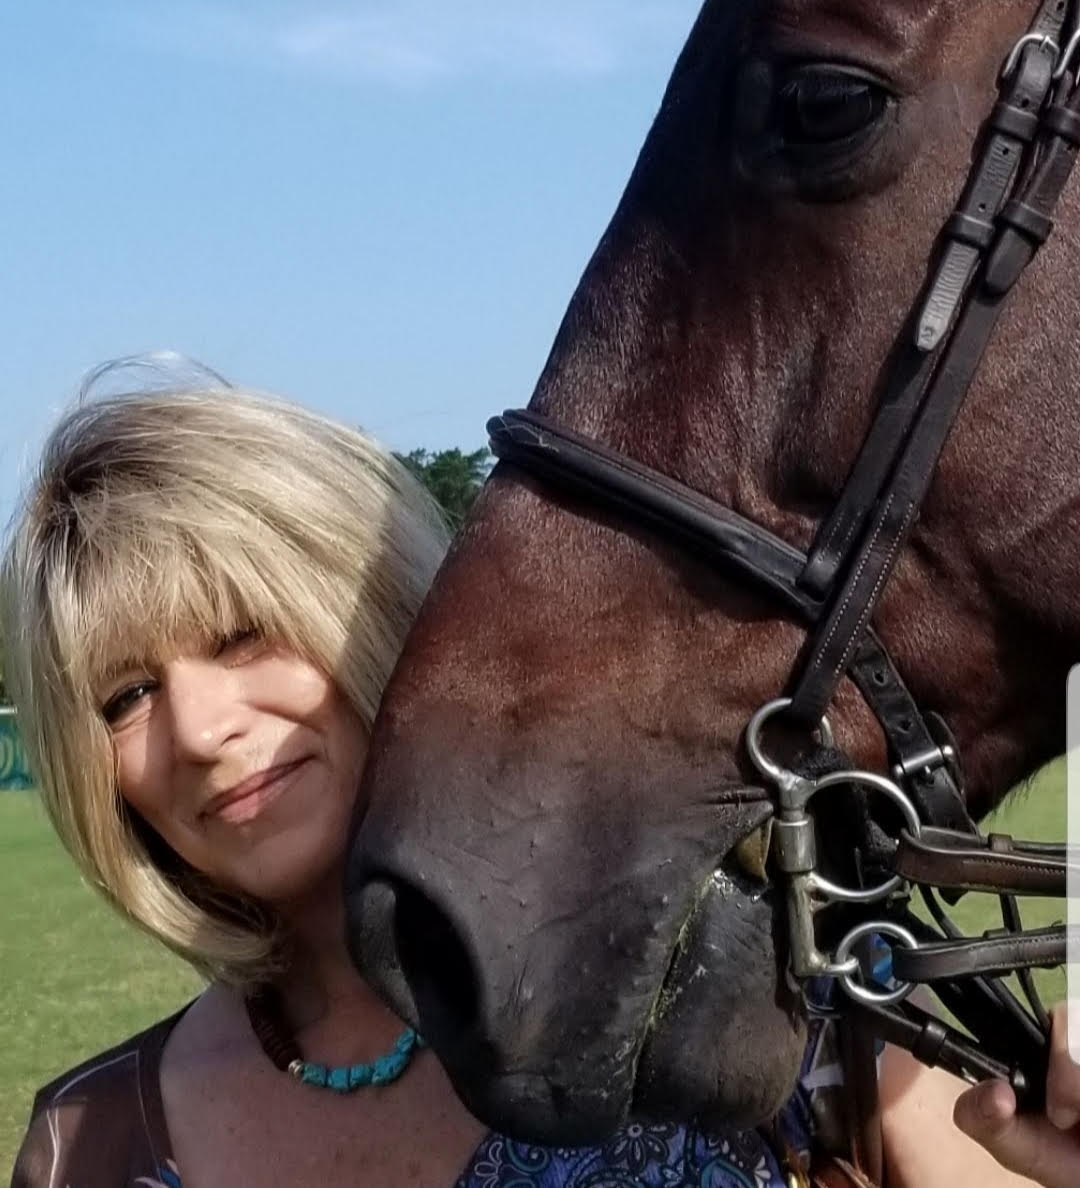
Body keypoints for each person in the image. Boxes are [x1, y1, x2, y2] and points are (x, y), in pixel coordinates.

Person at [3, 361, 1072, 1188]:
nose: (198, 730)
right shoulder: (89, 1144)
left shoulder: (758, 995)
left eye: (242, 634)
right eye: (125, 696)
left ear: (385, 614)